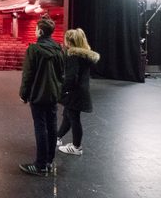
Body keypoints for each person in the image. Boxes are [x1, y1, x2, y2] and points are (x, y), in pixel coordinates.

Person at [19, 16, 64, 176]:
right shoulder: (59, 48)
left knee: (40, 127)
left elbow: (28, 75)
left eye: (36, 28)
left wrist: (23, 94)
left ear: (41, 31)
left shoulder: (34, 49)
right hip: (53, 94)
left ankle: (40, 165)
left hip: (38, 94)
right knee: (52, 127)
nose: (35, 31)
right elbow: (61, 73)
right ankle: (49, 161)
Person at [57, 28, 100, 156]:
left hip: (74, 92)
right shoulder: (84, 55)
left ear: (70, 42)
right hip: (81, 91)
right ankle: (58, 137)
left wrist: (62, 90)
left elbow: (71, 77)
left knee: (74, 118)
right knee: (68, 116)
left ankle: (77, 147)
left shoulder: (73, 55)